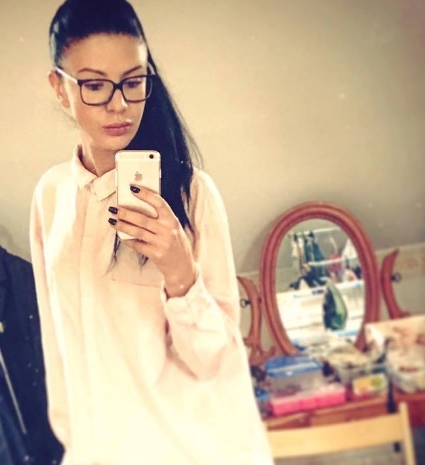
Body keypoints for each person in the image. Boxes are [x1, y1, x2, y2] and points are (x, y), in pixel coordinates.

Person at [30, 0, 273, 464]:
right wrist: (77, 447)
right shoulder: (50, 196)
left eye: (133, 82)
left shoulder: (192, 195)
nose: (119, 104)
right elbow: (57, 349)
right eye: (94, 85)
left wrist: (181, 275)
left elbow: (216, 361)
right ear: (60, 88)